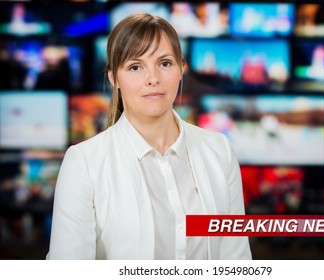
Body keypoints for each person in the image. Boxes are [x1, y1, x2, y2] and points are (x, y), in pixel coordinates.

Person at [47, 13, 251, 260]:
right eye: (135, 67)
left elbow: (236, 259)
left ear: (180, 69)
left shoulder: (219, 150)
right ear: (114, 78)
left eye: (164, 63)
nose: (153, 79)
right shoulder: (83, 162)